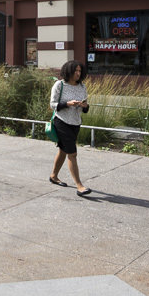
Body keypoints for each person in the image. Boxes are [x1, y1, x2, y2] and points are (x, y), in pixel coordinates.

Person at [48, 60, 92, 196]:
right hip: (61, 122)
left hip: (75, 122)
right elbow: (53, 105)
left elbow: (85, 108)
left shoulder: (82, 87)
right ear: (69, 71)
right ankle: (79, 186)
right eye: (75, 71)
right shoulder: (59, 85)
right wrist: (67, 104)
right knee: (72, 153)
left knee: (63, 151)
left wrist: (85, 106)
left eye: (80, 71)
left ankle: (54, 176)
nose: (78, 73)